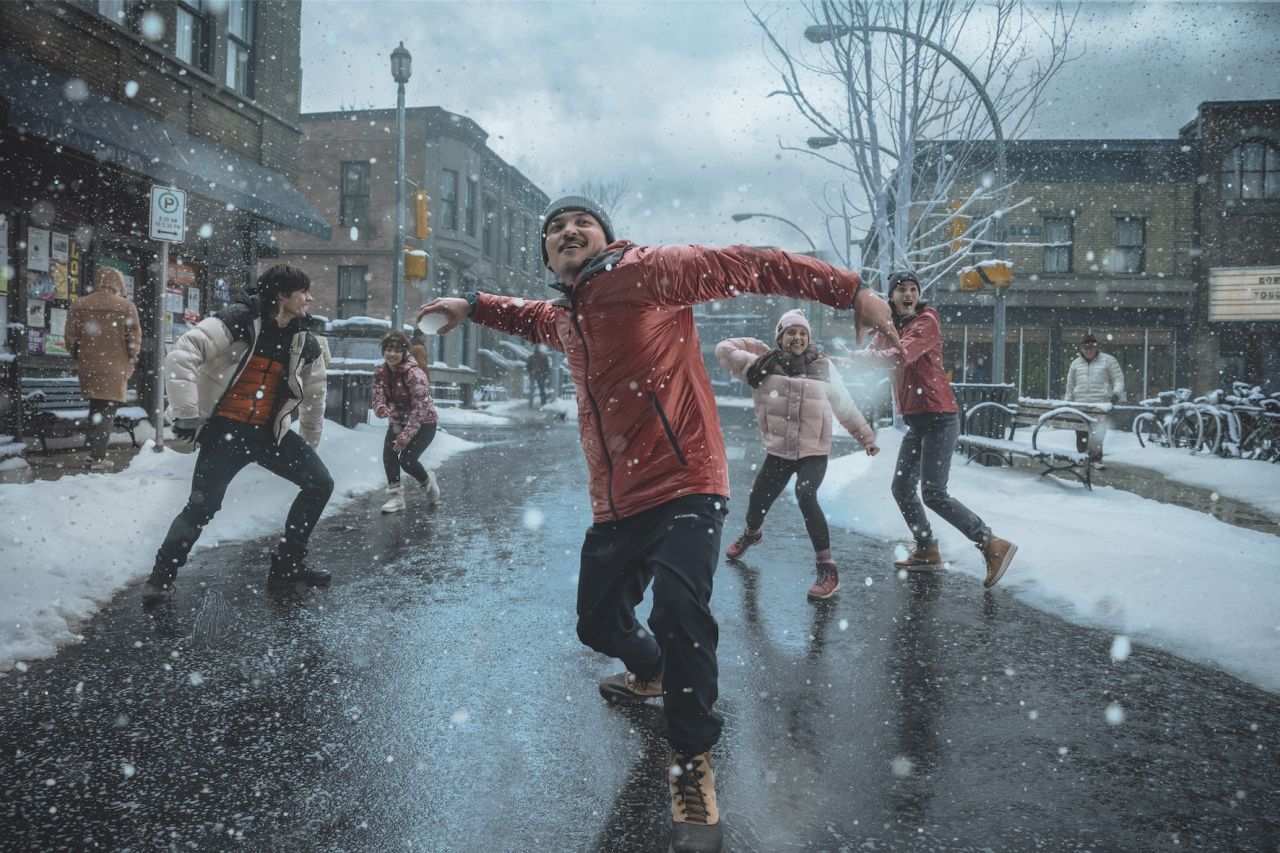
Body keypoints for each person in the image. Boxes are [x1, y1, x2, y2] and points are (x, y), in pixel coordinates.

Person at [416, 195, 901, 853]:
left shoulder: (648, 272)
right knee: (597, 622)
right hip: (617, 501)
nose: (568, 230)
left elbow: (747, 265)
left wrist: (850, 292)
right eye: (555, 227)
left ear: (605, 236)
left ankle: (692, 758)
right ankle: (649, 671)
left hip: (687, 482)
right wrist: (470, 304)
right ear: (550, 256)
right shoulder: (568, 313)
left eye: (580, 221)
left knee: (678, 607)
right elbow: (529, 317)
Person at [141, 265, 333, 604]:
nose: (310, 298)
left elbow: (316, 393)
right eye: (303, 291)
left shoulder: (304, 338)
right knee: (202, 507)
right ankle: (161, 577)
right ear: (282, 295)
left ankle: (287, 566)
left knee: (319, 482)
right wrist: (187, 414)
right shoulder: (238, 319)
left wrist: (309, 443)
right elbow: (183, 355)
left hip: (269, 433)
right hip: (227, 432)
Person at [853, 270, 1017, 588]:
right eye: (901, 289)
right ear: (891, 297)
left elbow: (899, 356)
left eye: (913, 289)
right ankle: (927, 549)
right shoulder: (890, 327)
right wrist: (849, 358)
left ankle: (992, 544)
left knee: (933, 493)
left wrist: (865, 357)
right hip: (918, 421)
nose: (908, 294)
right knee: (902, 489)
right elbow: (874, 353)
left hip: (940, 418)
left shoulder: (926, 321)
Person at [716, 308, 880, 600]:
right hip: (778, 453)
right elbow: (724, 349)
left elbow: (845, 407)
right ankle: (752, 533)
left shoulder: (824, 368)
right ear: (781, 337)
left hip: (813, 453)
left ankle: (827, 568)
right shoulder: (762, 367)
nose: (798, 337)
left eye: (803, 332)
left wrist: (866, 438)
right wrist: (760, 348)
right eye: (791, 332)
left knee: (806, 494)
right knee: (757, 503)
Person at [63, 267, 142, 471]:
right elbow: (133, 339)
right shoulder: (126, 306)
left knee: (96, 409)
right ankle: (97, 458)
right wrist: (131, 358)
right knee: (106, 411)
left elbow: (71, 340)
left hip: (89, 366)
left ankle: (93, 454)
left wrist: (80, 356)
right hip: (115, 368)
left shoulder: (79, 304)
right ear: (118, 283)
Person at [372, 330, 440, 513]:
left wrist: (405, 437)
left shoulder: (414, 374)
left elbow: (421, 409)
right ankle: (396, 498)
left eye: (396, 350)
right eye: (388, 349)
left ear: (404, 353)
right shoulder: (381, 373)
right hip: (398, 421)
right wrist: (381, 409)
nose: (392, 354)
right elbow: (377, 398)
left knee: (408, 460)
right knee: (389, 455)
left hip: (425, 423)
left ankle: (427, 482)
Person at [1064, 333, 1124, 456]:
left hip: (1100, 405)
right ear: (1081, 348)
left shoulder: (1108, 360)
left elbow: (1118, 379)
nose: (1088, 350)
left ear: (1096, 347)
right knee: (1081, 434)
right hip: (1080, 405)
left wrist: (1116, 393)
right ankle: (1082, 459)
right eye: (1085, 347)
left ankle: (1096, 460)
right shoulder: (1075, 364)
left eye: (1091, 347)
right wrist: (1068, 402)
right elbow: (1070, 385)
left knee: (1097, 434)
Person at [526, 343, 551, 408]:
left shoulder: (532, 357)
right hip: (540, 375)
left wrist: (530, 372)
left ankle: (530, 404)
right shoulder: (544, 357)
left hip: (534, 375)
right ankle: (543, 404)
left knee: (532, 391)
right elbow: (547, 367)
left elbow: (528, 367)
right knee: (541, 390)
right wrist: (546, 374)